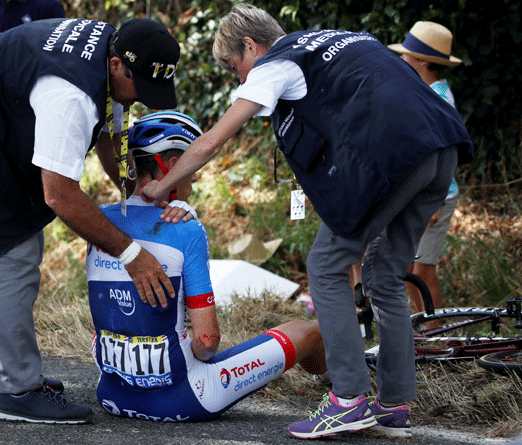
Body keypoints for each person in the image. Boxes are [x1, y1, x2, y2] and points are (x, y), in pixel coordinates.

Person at [140, 3, 473, 439]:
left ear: (250, 45)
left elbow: (210, 144)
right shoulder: (337, 38)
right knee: (385, 274)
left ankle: (349, 401)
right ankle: (393, 403)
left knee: (325, 266)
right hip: (441, 147)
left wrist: (159, 189)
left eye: (235, 67)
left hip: (394, 156)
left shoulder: (276, 63)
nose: (239, 79)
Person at [0, 17, 183, 424]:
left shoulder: (115, 49)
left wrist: (139, 198)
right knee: (14, 252)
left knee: (20, 246)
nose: (142, 97)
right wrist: (131, 253)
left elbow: (109, 135)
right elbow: (60, 195)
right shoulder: (70, 95)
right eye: (139, 86)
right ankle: (18, 390)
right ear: (115, 66)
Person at [87, 111, 327, 421]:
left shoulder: (98, 220)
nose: (197, 176)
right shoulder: (185, 229)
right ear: (172, 166)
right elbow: (206, 343)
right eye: (194, 167)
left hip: (111, 394)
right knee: (310, 330)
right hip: (185, 398)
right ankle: (339, 386)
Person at [0, 0, 66, 288]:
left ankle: (17, 273)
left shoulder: (47, 6)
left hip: (23, 120)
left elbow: (57, 63)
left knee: (17, 200)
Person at [389, 21, 463, 313]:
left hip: (436, 194)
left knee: (423, 271)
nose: (400, 59)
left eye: (406, 55)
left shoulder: (440, 100)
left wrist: (436, 202)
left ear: (421, 61)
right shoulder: (422, 91)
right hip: (419, 192)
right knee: (407, 267)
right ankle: (422, 325)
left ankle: (436, 332)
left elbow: (448, 152)